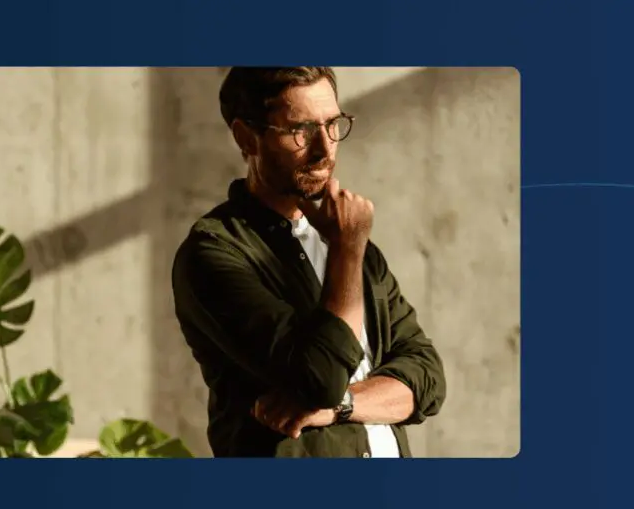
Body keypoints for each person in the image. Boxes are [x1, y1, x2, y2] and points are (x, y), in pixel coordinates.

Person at [171, 67, 447, 458]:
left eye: (333, 124)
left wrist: (341, 407)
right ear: (246, 137)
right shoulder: (215, 253)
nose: (325, 149)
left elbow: (428, 378)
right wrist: (348, 250)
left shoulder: (352, 245)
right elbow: (319, 380)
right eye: (301, 130)